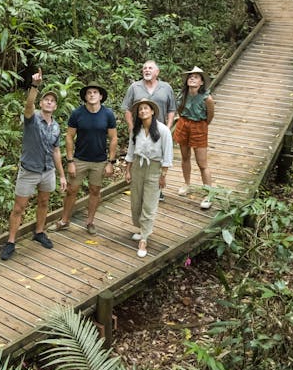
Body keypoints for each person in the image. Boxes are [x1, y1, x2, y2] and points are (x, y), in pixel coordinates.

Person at [0, 71, 64, 260]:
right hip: (29, 170)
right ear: (41, 103)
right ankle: (11, 241)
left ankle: (39, 232)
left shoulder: (56, 126)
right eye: (46, 100)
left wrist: (61, 174)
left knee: (44, 201)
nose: (49, 102)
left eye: (52, 101)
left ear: (56, 106)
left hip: (48, 170)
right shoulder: (32, 118)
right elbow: (28, 106)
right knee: (19, 207)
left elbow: (56, 151)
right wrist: (35, 86)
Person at [53, 84, 118, 234]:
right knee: (71, 190)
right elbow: (69, 137)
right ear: (85, 96)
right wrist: (70, 161)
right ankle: (64, 221)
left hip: (100, 160)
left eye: (95, 92)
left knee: (95, 190)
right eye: (89, 93)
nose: (92, 95)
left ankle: (90, 222)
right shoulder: (77, 113)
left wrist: (111, 162)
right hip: (80, 159)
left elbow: (113, 138)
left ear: (101, 96)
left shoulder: (108, 114)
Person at [124, 98, 173, 258]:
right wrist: (128, 170)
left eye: (146, 108)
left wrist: (163, 175)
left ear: (152, 111)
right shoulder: (135, 130)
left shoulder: (163, 130)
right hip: (138, 165)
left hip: (154, 167)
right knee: (136, 201)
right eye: (140, 110)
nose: (143, 111)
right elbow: (131, 152)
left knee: (150, 203)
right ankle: (142, 228)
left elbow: (167, 155)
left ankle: (144, 238)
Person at [174, 66, 216, 210]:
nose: (192, 78)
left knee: (202, 163)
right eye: (190, 77)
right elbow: (180, 110)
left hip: (199, 126)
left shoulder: (207, 98)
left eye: (196, 77)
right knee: (185, 157)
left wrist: (200, 125)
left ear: (202, 82)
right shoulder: (182, 95)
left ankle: (209, 194)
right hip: (184, 123)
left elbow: (210, 116)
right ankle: (187, 184)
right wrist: (185, 122)